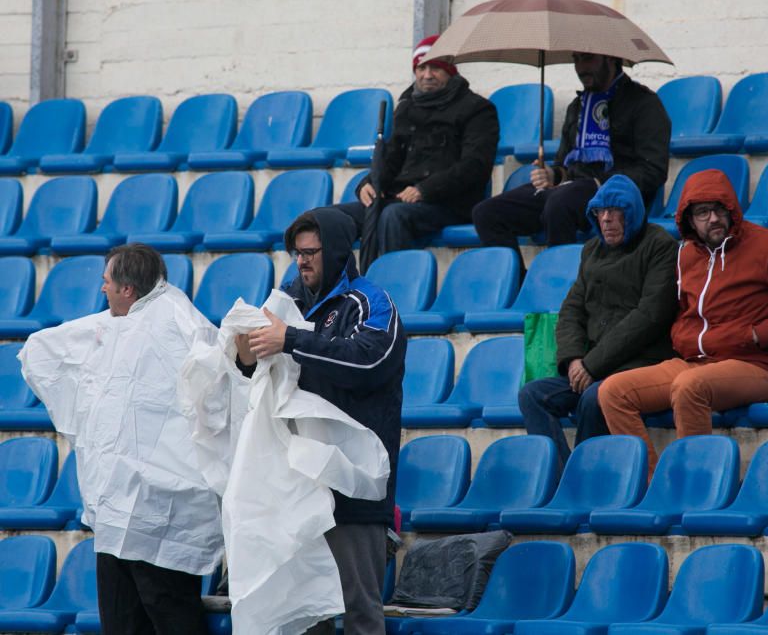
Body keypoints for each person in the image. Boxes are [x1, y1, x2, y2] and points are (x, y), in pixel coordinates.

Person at [20, 243, 223, 635]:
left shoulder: (177, 324)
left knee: (168, 612)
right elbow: (44, 352)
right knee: (122, 618)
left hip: (162, 508)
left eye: (107, 282)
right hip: (118, 509)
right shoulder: (119, 327)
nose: (102, 290)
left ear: (128, 289)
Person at [234, 209, 405, 635]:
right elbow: (263, 381)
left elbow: (371, 362)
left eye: (312, 252)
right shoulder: (287, 301)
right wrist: (245, 355)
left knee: (360, 608)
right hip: (297, 484)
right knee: (304, 610)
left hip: (353, 484)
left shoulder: (371, 301)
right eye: (297, 253)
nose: (302, 261)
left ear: (338, 252)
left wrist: (290, 340)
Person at [598, 169, 768, 471]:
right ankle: (652, 484)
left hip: (757, 364)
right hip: (696, 362)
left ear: (731, 209)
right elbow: (684, 312)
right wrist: (682, 337)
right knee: (613, 391)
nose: (713, 218)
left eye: (719, 209)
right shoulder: (686, 256)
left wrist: (759, 334)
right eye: (702, 212)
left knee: (689, 386)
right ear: (689, 220)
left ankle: (696, 484)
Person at [519, 174, 678, 467]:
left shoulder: (660, 246)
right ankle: (562, 473)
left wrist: (593, 365)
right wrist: (574, 360)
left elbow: (649, 317)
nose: (606, 219)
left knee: (594, 397)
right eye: (600, 212)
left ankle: (586, 475)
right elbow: (571, 311)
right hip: (590, 364)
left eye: (615, 211)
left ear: (632, 212)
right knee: (532, 395)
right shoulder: (592, 250)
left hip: (637, 364)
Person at [472, 53, 671, 261]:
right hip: (570, 190)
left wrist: (600, 182)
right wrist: (552, 174)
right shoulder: (577, 106)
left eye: (588, 59)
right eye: (576, 60)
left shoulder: (644, 103)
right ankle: (522, 284)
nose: (580, 68)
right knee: (486, 213)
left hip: (614, 195)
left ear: (610, 59)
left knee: (559, 204)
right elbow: (563, 165)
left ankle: (561, 282)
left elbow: (653, 171)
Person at [336, 34, 499, 270]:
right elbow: (390, 159)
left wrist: (424, 190)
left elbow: (474, 166)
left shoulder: (477, 109)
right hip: (400, 199)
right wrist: (369, 183)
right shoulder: (407, 108)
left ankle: (392, 293)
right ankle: (336, 297)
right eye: (421, 67)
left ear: (450, 71)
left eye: (436, 67)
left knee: (393, 216)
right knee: (326, 220)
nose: (427, 75)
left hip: (450, 204)